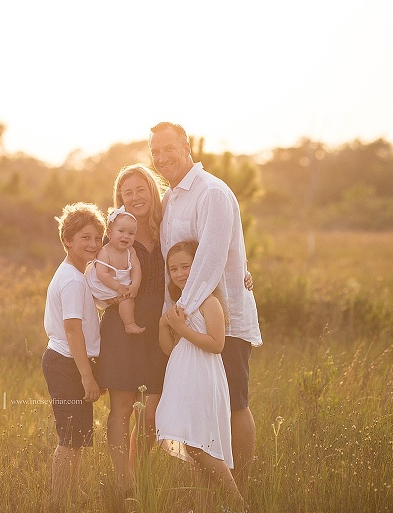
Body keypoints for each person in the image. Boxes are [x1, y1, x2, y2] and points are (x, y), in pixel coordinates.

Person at [150, 121, 263, 491]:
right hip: (186, 321)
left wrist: (181, 315)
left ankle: (240, 485)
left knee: (233, 402)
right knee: (201, 408)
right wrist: (173, 318)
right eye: (155, 151)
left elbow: (211, 259)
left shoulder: (211, 192)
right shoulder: (171, 197)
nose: (162, 156)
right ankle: (215, 485)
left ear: (187, 147)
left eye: (169, 148)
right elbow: (174, 262)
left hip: (219, 320)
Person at [95, 164, 169, 505]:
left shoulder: (168, 228)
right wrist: (107, 294)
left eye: (141, 189)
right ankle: (123, 485)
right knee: (122, 406)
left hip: (160, 327)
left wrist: (242, 273)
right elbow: (89, 271)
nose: (136, 197)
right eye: (128, 193)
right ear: (120, 200)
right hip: (123, 326)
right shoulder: (115, 237)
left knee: (153, 409)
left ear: (153, 191)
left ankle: (142, 476)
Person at [157, 240, 245, 512]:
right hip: (180, 373)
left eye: (186, 266)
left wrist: (180, 327)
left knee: (199, 443)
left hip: (202, 375)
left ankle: (237, 503)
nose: (180, 273)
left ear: (200, 266)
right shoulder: (181, 303)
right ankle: (205, 504)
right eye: (174, 269)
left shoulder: (210, 302)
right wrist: (164, 324)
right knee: (187, 438)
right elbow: (170, 348)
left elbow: (216, 344)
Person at [41, 202, 106, 512]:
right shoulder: (70, 279)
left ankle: (73, 494)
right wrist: (87, 375)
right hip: (67, 364)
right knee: (69, 438)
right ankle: (57, 501)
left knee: (78, 436)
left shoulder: (80, 275)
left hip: (72, 362)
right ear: (67, 240)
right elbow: (72, 331)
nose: (93, 244)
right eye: (85, 238)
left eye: (97, 238)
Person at [85, 206, 145, 335]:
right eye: (121, 231)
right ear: (109, 233)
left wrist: (135, 285)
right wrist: (118, 287)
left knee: (127, 299)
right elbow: (102, 274)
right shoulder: (105, 252)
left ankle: (129, 324)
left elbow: (136, 269)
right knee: (123, 297)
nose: (126, 236)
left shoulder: (131, 251)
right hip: (103, 285)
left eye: (131, 233)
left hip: (119, 285)